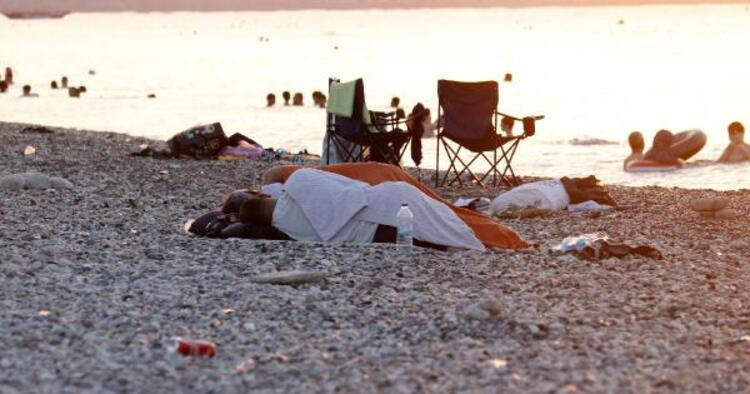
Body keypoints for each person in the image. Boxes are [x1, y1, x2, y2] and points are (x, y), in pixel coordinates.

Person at [261, 162, 529, 249]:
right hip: (385, 195)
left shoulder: (284, 195)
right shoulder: (288, 198)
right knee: (444, 218)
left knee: (445, 217)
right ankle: (486, 236)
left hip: (383, 192)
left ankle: (485, 235)